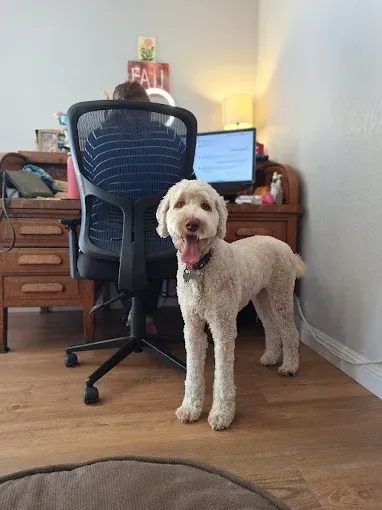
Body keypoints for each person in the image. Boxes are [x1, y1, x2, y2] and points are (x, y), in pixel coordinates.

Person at [83, 81, 186, 333]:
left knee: (125, 241)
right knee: (155, 238)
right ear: (149, 109)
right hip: (162, 241)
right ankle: (145, 312)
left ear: (111, 109)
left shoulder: (96, 139)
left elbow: (87, 188)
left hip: (107, 239)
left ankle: (135, 311)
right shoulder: (169, 137)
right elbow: (189, 184)